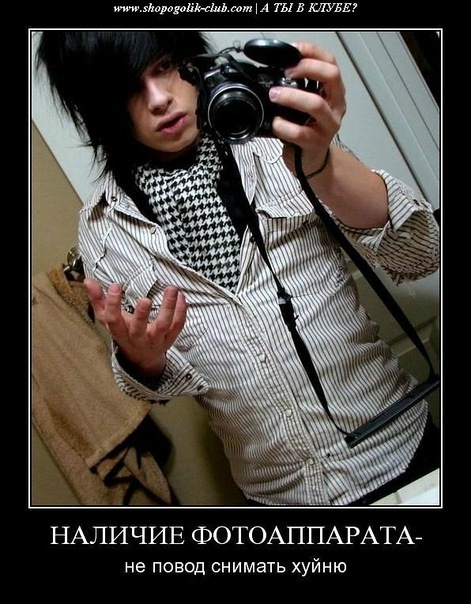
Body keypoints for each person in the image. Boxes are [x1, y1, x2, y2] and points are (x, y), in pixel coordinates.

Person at [35, 30, 440, 506]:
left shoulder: (278, 146)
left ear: (192, 62)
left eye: (164, 66)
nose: (160, 99)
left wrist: (323, 163)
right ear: (99, 108)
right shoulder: (104, 229)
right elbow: (157, 384)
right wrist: (142, 360)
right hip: (277, 495)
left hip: (400, 449)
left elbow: (421, 253)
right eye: (127, 88)